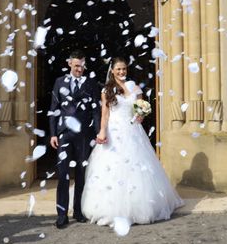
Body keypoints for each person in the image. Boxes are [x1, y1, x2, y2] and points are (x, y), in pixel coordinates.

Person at [81, 57, 184, 228]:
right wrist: (102, 131)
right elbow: (105, 114)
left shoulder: (133, 86)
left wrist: (141, 114)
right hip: (114, 133)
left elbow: (141, 108)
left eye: (124, 69)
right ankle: (112, 210)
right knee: (113, 168)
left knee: (137, 168)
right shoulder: (107, 90)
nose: (122, 72)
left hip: (132, 131)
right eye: (118, 69)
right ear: (112, 70)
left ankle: (139, 208)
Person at [49, 50, 101, 229]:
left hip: (85, 136)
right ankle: (61, 214)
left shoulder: (91, 83)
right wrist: (53, 133)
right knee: (62, 174)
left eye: (82, 66)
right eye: (76, 65)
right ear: (69, 64)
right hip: (64, 134)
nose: (80, 69)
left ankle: (77, 211)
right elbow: (54, 109)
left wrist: (98, 132)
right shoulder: (59, 82)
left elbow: (96, 110)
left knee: (81, 174)